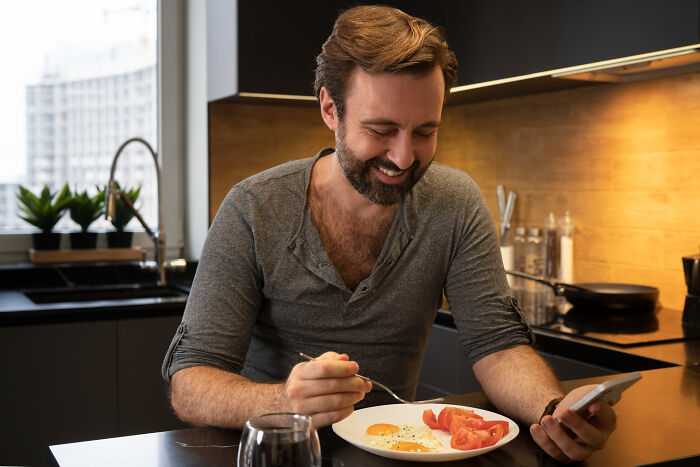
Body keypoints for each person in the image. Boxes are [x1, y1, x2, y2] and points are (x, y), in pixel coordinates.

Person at [162, 5, 616, 462]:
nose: (403, 157)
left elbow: (497, 347)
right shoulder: (253, 208)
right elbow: (191, 381)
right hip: (282, 453)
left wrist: (556, 413)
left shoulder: (454, 203)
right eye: (381, 129)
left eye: (425, 132)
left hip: (399, 452)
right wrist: (283, 402)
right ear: (329, 109)